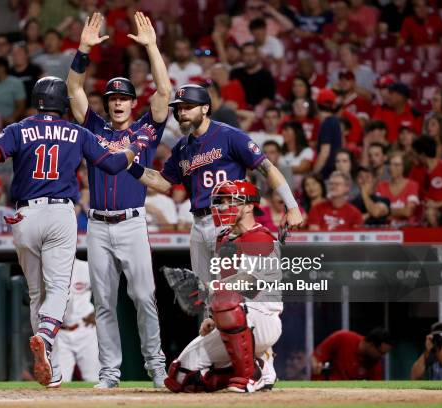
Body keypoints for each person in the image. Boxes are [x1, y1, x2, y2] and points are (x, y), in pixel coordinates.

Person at [0, 76, 152, 388]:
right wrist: (135, 147)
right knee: (59, 288)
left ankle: (54, 371)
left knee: (37, 293)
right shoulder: (77, 131)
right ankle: (45, 337)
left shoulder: (19, 128)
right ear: (64, 103)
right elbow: (113, 165)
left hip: (24, 214)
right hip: (60, 212)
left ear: (37, 100)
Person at [66, 12, 172, 389]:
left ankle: (156, 367)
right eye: (113, 98)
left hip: (131, 221)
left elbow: (164, 94)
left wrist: (152, 47)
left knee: (144, 297)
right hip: (96, 224)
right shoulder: (93, 126)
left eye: (124, 97)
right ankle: (109, 372)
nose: (118, 103)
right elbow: (74, 90)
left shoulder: (146, 127)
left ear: (131, 101)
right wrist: (82, 50)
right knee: (105, 303)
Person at [127, 84, 302, 288]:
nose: (182, 113)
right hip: (198, 224)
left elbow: (267, 168)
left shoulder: (229, 135)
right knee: (207, 294)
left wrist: (292, 206)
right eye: (179, 108)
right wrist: (129, 165)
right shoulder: (181, 148)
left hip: (228, 220)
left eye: (188, 107)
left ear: (205, 108)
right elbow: (163, 182)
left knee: (232, 292)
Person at [164, 180, 281, 393]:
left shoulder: (261, 237)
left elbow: (250, 283)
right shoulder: (223, 238)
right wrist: (212, 317)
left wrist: (209, 287)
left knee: (227, 301)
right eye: (221, 201)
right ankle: (261, 366)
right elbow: (223, 283)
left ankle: (251, 375)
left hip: (263, 320)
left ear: (249, 206)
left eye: (232, 201)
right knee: (180, 376)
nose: (224, 206)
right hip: (233, 318)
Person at [53, 259, 101, 382]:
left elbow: (106, 290)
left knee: (93, 379)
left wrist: (98, 312)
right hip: (60, 332)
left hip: (85, 330)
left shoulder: (85, 268)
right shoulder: (47, 270)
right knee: (59, 380)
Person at [311, 327, 393, 380]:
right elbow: (315, 357)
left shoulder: (375, 363)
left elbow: (376, 390)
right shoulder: (342, 338)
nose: (381, 357)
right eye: (380, 352)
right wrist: (315, 365)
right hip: (324, 390)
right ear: (371, 345)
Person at [411, 136, 442, 227]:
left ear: (422, 155)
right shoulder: (415, 171)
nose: (413, 157)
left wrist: (437, 204)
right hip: (422, 212)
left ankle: (439, 239)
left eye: (415, 153)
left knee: (430, 213)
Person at [376, 151, 420, 227]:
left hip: (406, 229)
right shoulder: (381, 186)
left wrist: (386, 212)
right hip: (385, 230)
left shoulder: (412, 185)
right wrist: (400, 211)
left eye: (396, 165)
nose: (391, 168)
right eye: (390, 164)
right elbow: (377, 212)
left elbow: (407, 212)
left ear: (404, 167)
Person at [229, 42, 275, 113]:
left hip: (258, 113)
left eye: (252, 54)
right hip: (238, 111)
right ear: (241, 56)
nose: (249, 57)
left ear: (257, 55)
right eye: (246, 54)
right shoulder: (235, 73)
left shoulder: (266, 75)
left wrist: (258, 111)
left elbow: (269, 97)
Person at [312, 89, 343, 179]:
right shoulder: (335, 121)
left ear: (317, 105)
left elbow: (325, 153)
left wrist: (313, 173)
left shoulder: (327, 123)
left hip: (326, 175)